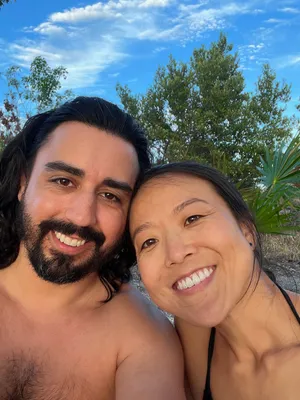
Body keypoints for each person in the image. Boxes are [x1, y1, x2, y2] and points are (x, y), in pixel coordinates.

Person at [0, 97, 186, 399]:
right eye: (63, 181)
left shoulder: (142, 338)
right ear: (23, 183)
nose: (82, 216)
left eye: (111, 196)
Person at [129, 161, 300, 400]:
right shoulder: (194, 334)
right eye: (149, 242)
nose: (176, 254)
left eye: (192, 218)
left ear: (247, 230)